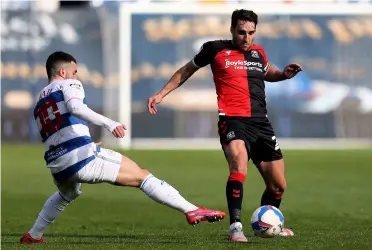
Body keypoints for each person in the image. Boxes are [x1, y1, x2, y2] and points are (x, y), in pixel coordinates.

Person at [20, 51, 226, 244]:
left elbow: (58, 130)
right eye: (74, 72)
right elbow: (76, 108)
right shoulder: (70, 84)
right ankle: (191, 210)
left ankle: (33, 235)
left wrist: (85, 142)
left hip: (57, 163)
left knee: (68, 194)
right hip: (80, 157)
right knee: (143, 176)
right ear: (63, 72)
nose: (76, 76)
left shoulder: (39, 101)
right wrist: (110, 124)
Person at [147, 9, 302, 242]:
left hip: (261, 123)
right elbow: (186, 71)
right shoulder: (214, 49)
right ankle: (235, 227)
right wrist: (161, 94)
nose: (246, 38)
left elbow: (266, 72)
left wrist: (283, 74)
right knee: (239, 165)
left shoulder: (258, 52)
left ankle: (270, 223)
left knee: (278, 186)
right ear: (231, 30)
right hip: (232, 119)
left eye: (251, 33)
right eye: (241, 32)